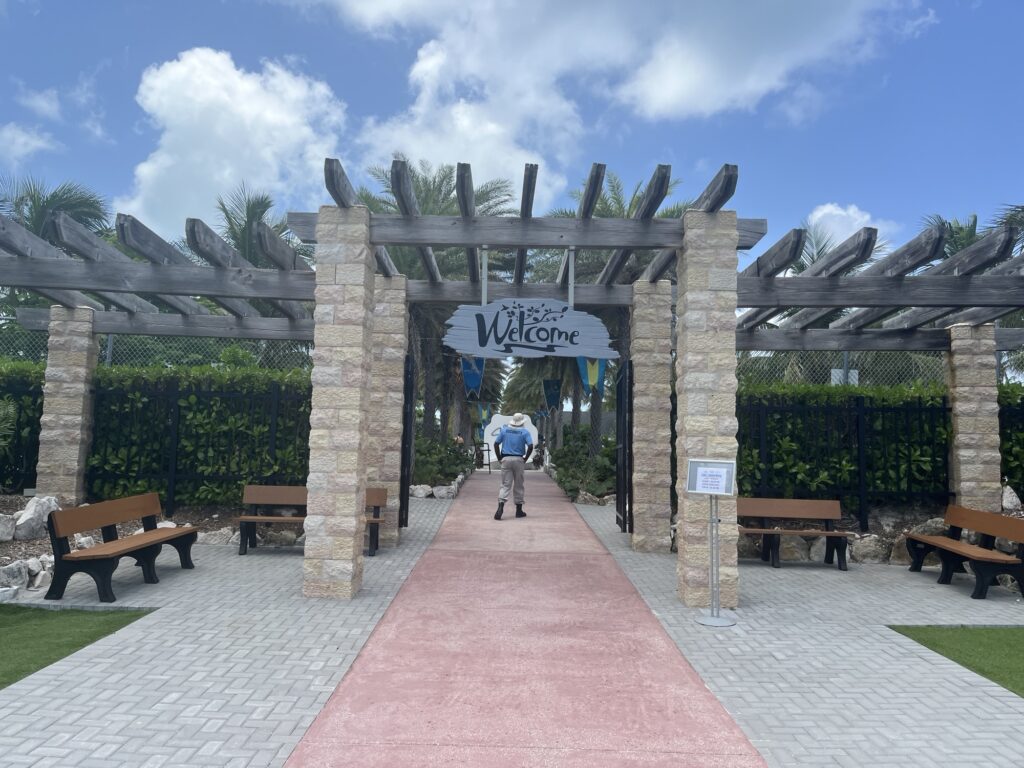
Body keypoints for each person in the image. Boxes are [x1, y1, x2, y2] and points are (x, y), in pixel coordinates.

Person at [493, 412, 533, 520]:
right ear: (522, 422)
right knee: (519, 484)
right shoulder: (525, 432)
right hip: (519, 459)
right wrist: (525, 458)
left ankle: (500, 507)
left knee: (505, 484)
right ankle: (519, 511)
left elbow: (496, 444)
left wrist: (499, 458)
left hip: (505, 459)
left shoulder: (504, 430)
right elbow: (530, 446)